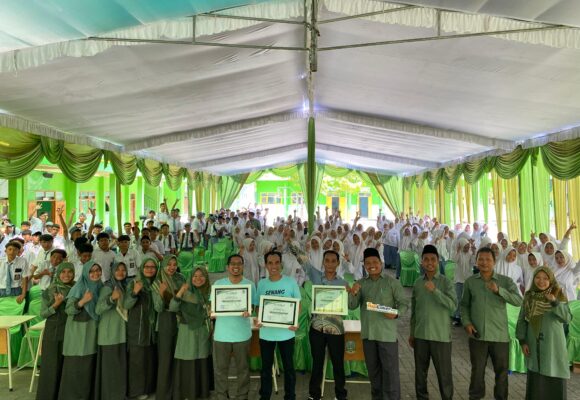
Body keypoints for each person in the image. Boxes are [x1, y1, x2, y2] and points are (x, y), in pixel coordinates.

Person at [460, 247, 523, 400]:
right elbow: (464, 305)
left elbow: (518, 300)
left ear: (494, 262)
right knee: (477, 371)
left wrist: (500, 291)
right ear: (476, 261)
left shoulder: (505, 281)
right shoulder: (470, 282)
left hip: (499, 336)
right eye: (480, 259)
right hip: (477, 335)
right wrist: (467, 323)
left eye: (488, 259)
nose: (484, 263)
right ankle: (475, 397)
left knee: (501, 373)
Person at [348, 247, 409, 400]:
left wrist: (395, 313)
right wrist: (352, 293)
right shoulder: (361, 283)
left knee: (390, 374)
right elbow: (352, 305)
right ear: (364, 265)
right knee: (374, 374)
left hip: (386, 336)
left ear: (381, 263)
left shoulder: (392, 283)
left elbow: (403, 304)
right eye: (367, 263)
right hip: (368, 335)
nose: (371, 265)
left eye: (375, 262)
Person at [297, 249, 348, 400]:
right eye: (327, 260)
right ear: (323, 262)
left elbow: (349, 305)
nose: (330, 264)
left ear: (338, 263)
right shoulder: (315, 275)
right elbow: (303, 259)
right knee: (317, 363)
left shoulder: (343, 283)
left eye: (333, 261)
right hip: (317, 327)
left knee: (338, 363)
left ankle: (340, 395)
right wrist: (290, 241)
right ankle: (314, 395)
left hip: (336, 329)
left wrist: (351, 292)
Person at [516, 267, 572, 400]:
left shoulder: (558, 294)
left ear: (551, 280)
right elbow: (522, 320)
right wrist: (522, 341)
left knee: (554, 373)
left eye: (545, 278)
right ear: (533, 278)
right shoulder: (529, 296)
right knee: (536, 378)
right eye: (538, 278)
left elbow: (567, 318)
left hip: (553, 345)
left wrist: (554, 302)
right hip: (533, 344)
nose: (541, 281)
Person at [409, 245, 456, 400]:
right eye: (426, 259)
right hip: (420, 335)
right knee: (420, 375)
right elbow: (414, 311)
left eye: (433, 260)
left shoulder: (446, 282)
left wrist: (435, 291)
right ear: (421, 262)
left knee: (444, 376)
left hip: (440, 337)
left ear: (438, 261)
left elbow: (453, 306)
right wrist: (412, 333)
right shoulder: (417, 283)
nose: (429, 262)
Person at [255, 250, 301, 400]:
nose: (273, 266)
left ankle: (290, 396)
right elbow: (258, 306)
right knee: (266, 368)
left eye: (276, 262)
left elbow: (297, 305)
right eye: (270, 263)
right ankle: (265, 396)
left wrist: (295, 321)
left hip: (286, 333)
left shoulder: (291, 282)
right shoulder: (261, 284)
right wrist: (258, 318)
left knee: (289, 368)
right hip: (266, 333)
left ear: (281, 264)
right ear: (266, 265)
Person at [212, 254, 258, 400]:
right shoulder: (218, 284)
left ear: (243, 266)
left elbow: (253, 306)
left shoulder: (250, 284)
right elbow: (212, 306)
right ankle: (221, 395)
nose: (236, 266)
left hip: (242, 335)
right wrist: (212, 312)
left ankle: (242, 396)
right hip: (221, 335)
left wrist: (248, 310)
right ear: (227, 266)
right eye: (232, 263)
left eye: (239, 263)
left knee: (243, 370)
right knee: (220, 370)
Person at [58, 261, 103, 400]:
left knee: (88, 366)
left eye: (98, 270)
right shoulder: (79, 287)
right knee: (76, 366)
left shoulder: (101, 286)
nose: (95, 273)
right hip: (78, 333)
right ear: (85, 273)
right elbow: (69, 310)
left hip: (92, 332)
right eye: (91, 271)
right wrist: (82, 301)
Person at [170, 267, 213, 399]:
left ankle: (202, 391)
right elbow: (172, 307)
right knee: (188, 359)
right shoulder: (185, 292)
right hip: (187, 330)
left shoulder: (210, 292)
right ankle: (188, 392)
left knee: (202, 358)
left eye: (201, 276)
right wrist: (181, 291)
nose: (198, 279)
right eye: (195, 276)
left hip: (203, 330)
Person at [36, 262, 75, 400]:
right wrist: (56, 304)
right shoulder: (51, 290)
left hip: (70, 333)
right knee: (51, 367)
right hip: (54, 333)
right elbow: (43, 313)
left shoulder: (76, 287)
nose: (66, 275)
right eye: (63, 272)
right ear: (58, 273)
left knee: (66, 367)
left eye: (69, 271)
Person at [124, 258, 159, 400]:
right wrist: (134, 293)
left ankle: (148, 387)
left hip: (150, 327)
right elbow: (126, 304)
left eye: (153, 267)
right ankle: (136, 390)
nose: (150, 269)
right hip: (137, 327)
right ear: (142, 268)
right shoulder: (134, 283)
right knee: (137, 360)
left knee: (148, 358)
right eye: (147, 267)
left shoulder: (156, 283)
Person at [152, 255, 186, 400]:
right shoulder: (157, 281)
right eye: (168, 264)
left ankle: (179, 392)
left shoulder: (181, 278)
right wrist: (161, 293)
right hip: (165, 321)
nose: (172, 267)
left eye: (174, 264)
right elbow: (158, 308)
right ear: (163, 265)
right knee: (165, 359)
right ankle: (164, 394)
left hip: (180, 320)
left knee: (179, 356)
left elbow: (185, 299)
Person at [95, 261, 129, 400]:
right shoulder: (108, 287)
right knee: (111, 367)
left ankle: (118, 394)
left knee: (118, 366)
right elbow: (98, 309)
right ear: (112, 272)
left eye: (123, 270)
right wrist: (111, 299)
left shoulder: (123, 286)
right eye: (118, 270)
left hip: (120, 332)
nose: (121, 272)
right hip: (109, 334)